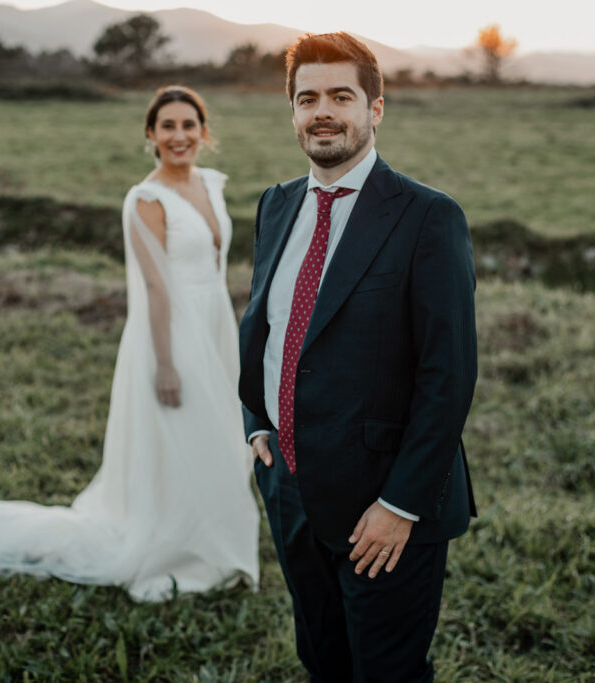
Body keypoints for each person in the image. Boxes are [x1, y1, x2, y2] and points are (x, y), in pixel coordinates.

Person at [0, 86, 260, 602]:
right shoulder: (147, 199)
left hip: (213, 326)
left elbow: (217, 265)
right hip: (171, 336)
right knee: (188, 437)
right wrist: (165, 365)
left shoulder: (210, 184)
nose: (179, 136)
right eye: (167, 126)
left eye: (188, 125)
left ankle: (211, 537)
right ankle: (182, 549)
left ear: (204, 131)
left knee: (219, 435)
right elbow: (156, 287)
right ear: (151, 136)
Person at [238, 33, 478, 681]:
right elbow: (266, 323)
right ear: (291, 110)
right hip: (289, 486)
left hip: (383, 508)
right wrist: (256, 421)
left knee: (386, 672)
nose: (323, 111)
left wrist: (402, 504)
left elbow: (447, 376)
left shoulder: (428, 217)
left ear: (375, 109)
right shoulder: (277, 203)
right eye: (307, 97)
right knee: (322, 659)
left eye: (341, 96)